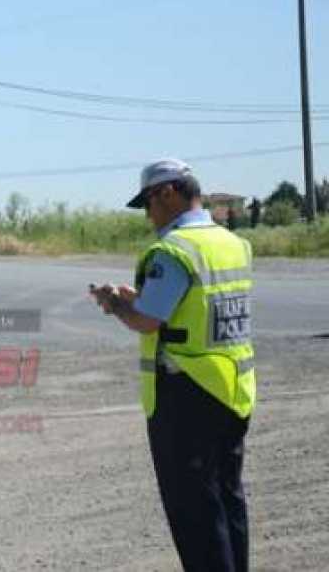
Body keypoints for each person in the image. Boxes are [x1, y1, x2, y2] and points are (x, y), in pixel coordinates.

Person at [90, 159, 255, 572]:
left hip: (186, 394)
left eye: (148, 203)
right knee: (227, 496)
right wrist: (139, 299)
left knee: (195, 509)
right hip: (232, 388)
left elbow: (148, 320)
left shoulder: (173, 249)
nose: (148, 215)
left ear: (168, 193)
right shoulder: (230, 242)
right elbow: (192, 305)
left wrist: (115, 304)